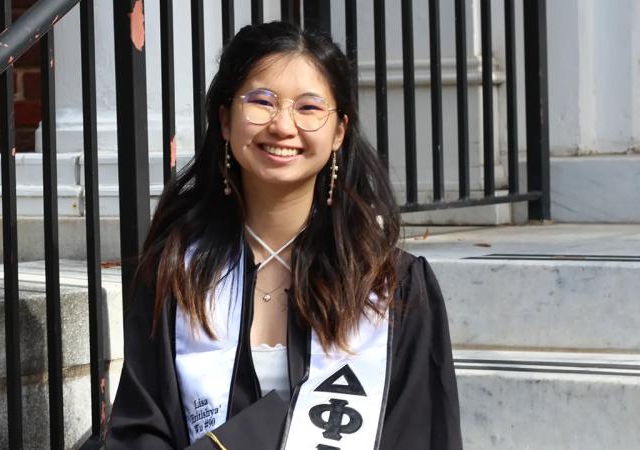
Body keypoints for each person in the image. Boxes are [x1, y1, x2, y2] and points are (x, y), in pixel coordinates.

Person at [107, 21, 462, 450]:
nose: (282, 126)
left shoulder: (390, 287)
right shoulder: (178, 273)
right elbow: (141, 429)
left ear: (339, 132)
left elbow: (420, 433)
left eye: (309, 108)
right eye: (261, 102)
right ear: (225, 120)